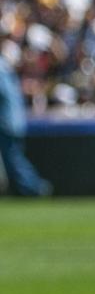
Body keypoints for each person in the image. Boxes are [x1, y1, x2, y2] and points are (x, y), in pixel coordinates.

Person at [0, 51, 52, 197]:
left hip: (8, 123)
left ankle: (37, 187)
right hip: (13, 121)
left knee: (14, 159)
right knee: (14, 158)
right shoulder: (5, 66)